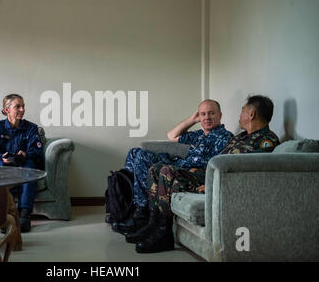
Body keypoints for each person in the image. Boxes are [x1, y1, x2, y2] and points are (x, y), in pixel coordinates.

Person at [130, 95, 280, 253]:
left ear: (251, 114)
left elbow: (248, 174)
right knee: (157, 168)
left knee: (167, 172)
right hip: (206, 175)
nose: (239, 115)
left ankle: (163, 234)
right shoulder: (241, 137)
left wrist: (213, 185)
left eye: (242, 111)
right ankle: (153, 225)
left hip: (217, 182)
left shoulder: (266, 141)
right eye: (203, 114)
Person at [113, 99, 233, 234]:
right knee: (135, 152)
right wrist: (192, 120)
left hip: (185, 171)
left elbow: (217, 164)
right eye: (203, 114)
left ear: (220, 115)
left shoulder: (224, 137)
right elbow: (172, 135)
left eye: (211, 113)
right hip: (176, 163)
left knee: (142, 158)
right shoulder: (199, 135)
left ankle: (141, 212)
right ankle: (128, 207)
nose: (207, 118)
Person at [0, 94, 44, 232]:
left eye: (23, 106)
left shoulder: (31, 128)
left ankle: (24, 214)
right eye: (18, 106)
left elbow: (37, 153)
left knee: (30, 166)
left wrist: (25, 154)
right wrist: (1, 158)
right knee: (1, 168)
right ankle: (7, 214)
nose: (22, 109)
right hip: (5, 165)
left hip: (24, 164)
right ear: (7, 110)